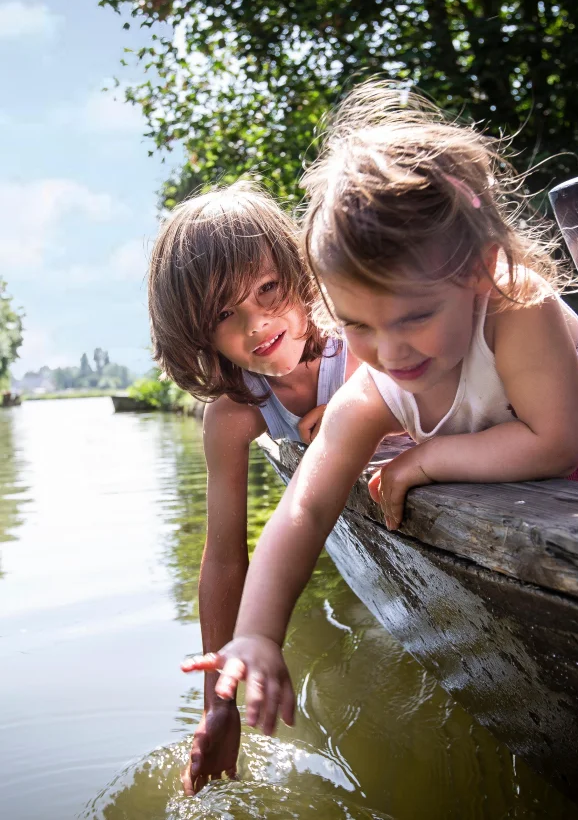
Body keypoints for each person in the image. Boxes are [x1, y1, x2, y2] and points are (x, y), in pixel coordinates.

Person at [181, 83, 578, 737]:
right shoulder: (376, 384)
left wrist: (428, 459)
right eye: (358, 325)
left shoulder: (517, 307)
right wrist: (256, 635)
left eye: (415, 317)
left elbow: (554, 442)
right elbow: (306, 507)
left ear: (481, 271)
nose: (390, 353)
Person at [149, 181, 357, 793]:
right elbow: (222, 556)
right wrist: (219, 703)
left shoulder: (360, 337)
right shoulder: (235, 414)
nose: (257, 322)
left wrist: (346, 413)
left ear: (297, 271)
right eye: (224, 314)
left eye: (268, 288)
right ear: (199, 334)